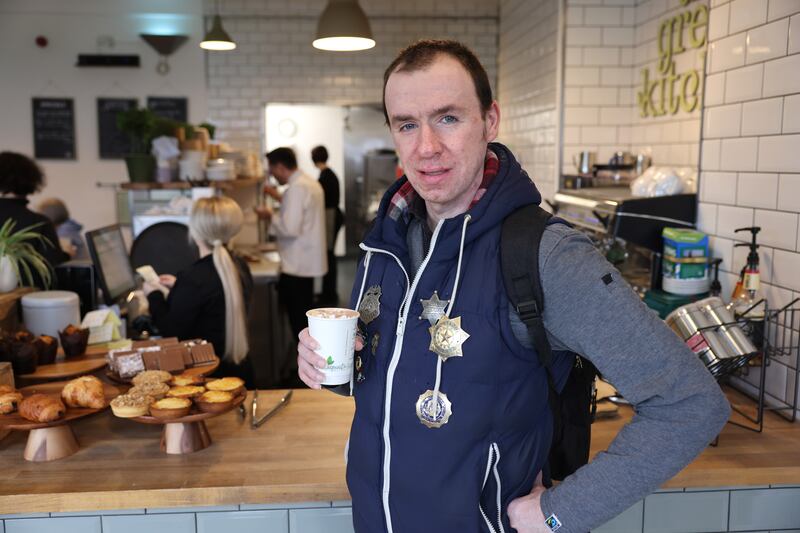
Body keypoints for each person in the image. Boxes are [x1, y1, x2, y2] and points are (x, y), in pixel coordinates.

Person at [296, 40, 730, 533]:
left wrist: (556, 513)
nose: (426, 147)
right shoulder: (386, 241)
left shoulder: (545, 255)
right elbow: (397, 377)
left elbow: (691, 404)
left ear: (490, 120)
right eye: (407, 124)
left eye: (448, 118)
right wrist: (328, 362)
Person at [143, 196, 254, 385]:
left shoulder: (193, 278)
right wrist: (179, 287)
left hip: (207, 379)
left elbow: (170, 330)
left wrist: (153, 295)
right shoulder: (240, 266)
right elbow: (213, 297)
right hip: (240, 375)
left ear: (195, 232)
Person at [256, 147, 326, 339]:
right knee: (305, 318)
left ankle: (302, 366)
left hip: (296, 265)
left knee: (299, 324)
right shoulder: (308, 183)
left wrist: (269, 215)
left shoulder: (296, 188)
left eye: (271, 171)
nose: (272, 176)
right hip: (305, 261)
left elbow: (290, 228)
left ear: (279, 167)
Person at [0, 152, 69, 287]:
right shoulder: (39, 223)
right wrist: (66, 254)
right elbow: (52, 272)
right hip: (26, 302)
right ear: (32, 181)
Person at [311, 145, 344, 306]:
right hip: (333, 215)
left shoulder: (325, 177)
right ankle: (328, 292)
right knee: (329, 255)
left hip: (330, 217)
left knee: (329, 256)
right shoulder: (329, 174)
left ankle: (329, 294)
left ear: (314, 159)